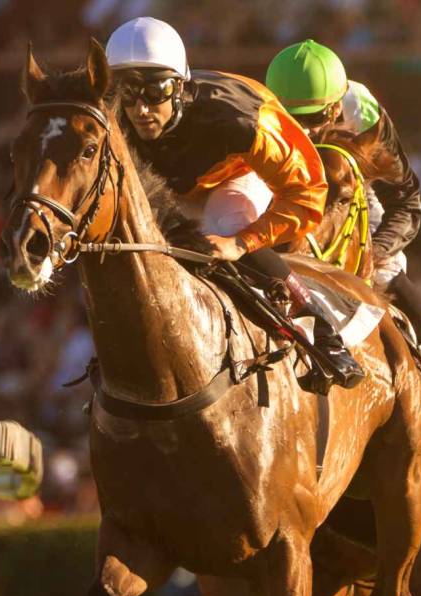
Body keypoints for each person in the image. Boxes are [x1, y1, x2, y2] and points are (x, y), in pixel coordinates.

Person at [104, 16, 362, 391]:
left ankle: (321, 326)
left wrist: (239, 244)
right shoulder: (113, 117)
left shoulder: (239, 119)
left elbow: (307, 194)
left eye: (155, 92)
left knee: (218, 229)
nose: (141, 109)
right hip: (175, 186)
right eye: (128, 93)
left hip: (239, 175)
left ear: (179, 86)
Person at [265, 39, 421, 427]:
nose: (303, 130)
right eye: (293, 118)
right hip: (285, 191)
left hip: (351, 188)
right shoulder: (260, 113)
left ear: (335, 108)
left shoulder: (362, 115)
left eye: (314, 118)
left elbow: (407, 200)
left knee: (386, 271)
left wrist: (375, 250)